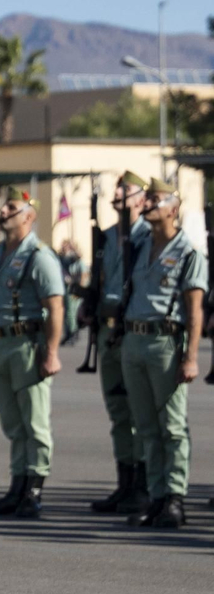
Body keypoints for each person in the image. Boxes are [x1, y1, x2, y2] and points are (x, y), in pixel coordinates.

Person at [119, 178, 205, 529]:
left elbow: (195, 310)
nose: (148, 204)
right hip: (134, 340)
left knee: (171, 426)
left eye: (155, 199)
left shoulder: (188, 253)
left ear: (173, 207)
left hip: (167, 343)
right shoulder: (138, 245)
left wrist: (191, 357)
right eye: (148, 199)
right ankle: (155, 496)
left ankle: (174, 498)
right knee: (145, 426)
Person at [0, 187, 63, 520]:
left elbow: (54, 307)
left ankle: (34, 490)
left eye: (10, 207)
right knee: (13, 423)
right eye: (2, 207)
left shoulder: (39, 255)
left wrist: (52, 352)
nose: (2, 212)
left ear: (28, 215)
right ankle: (17, 485)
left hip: (28, 345)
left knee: (35, 423)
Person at [87, 172, 151, 514]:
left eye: (126, 190)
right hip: (107, 330)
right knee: (118, 412)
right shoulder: (108, 236)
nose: (118, 194)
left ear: (142, 199)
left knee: (140, 413)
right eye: (118, 190)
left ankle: (142, 484)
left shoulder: (148, 237)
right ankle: (124, 483)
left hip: (131, 331)